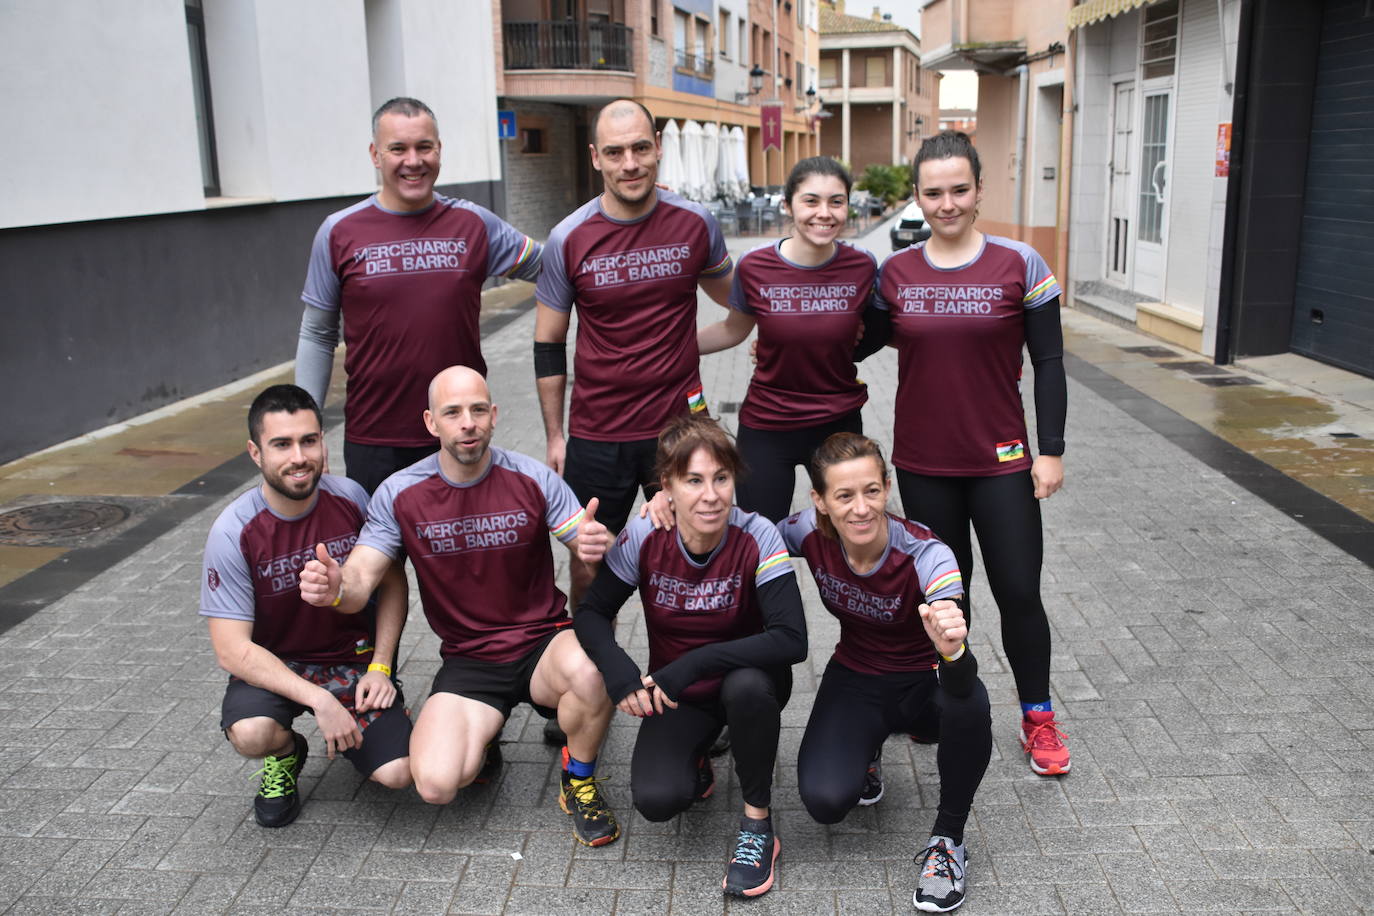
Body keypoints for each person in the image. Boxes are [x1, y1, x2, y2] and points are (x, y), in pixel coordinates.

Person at [298, 367, 621, 847]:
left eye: (476, 410)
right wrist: (336, 589)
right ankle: (485, 738)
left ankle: (579, 780)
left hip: (542, 643)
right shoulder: (399, 493)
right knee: (435, 784)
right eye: (453, 412)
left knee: (593, 670)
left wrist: (602, 544)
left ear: (493, 417)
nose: (467, 422)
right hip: (470, 659)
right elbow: (362, 579)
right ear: (432, 423)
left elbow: (589, 538)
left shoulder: (531, 477)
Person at [873, 130, 1070, 776]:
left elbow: (1048, 361)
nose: (947, 202)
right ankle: (948, 702)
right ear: (918, 197)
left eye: (960, 189)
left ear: (980, 190)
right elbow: (849, 346)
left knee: (1019, 592)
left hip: (1003, 464)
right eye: (934, 192)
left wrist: (1051, 451)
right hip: (925, 465)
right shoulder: (894, 273)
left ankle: (1037, 716)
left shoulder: (1021, 264)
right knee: (944, 600)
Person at [573, 414, 807, 898]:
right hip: (680, 695)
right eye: (694, 481)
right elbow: (592, 614)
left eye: (721, 478)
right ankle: (699, 757)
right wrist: (621, 676)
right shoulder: (646, 534)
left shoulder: (756, 534)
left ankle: (758, 825)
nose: (711, 495)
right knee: (658, 800)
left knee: (746, 687)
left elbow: (792, 640)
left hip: (747, 683)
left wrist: (693, 664)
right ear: (667, 487)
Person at [779, 433, 991, 913]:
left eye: (871, 491)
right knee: (826, 801)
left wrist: (952, 647)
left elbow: (959, 677)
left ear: (887, 487)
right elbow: (741, 532)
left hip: (924, 683)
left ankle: (948, 842)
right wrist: (667, 505)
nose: (860, 508)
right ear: (820, 501)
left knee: (971, 699)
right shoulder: (805, 532)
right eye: (844, 495)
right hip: (856, 675)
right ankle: (865, 751)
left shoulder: (927, 554)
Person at [534, 98, 734, 605]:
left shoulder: (695, 223)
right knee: (588, 566)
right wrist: (556, 435)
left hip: (681, 429)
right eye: (616, 152)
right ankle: (594, 673)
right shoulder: (568, 238)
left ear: (658, 149)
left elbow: (743, 307)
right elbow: (547, 342)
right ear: (595, 157)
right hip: (598, 434)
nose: (630, 164)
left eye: (641, 148)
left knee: (699, 558)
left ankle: (685, 677)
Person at [296, 97, 542, 494]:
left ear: (439, 150)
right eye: (398, 149)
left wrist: (630, 211)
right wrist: (305, 429)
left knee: (461, 555)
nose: (414, 160)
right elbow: (317, 335)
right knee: (381, 555)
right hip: (375, 438)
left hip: (459, 433)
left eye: (424, 147)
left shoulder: (474, 224)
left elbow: (557, 266)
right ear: (376, 155)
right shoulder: (339, 231)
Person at [200, 385, 412, 828]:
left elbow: (393, 582)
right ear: (255, 453)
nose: (299, 456)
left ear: (322, 442)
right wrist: (320, 701)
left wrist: (382, 665)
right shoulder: (232, 531)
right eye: (282, 444)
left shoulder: (352, 498)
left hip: (351, 661)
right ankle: (286, 755)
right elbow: (231, 651)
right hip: (276, 666)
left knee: (399, 773)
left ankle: (379, 715)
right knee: (252, 733)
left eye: (309, 440)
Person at [697, 156, 885, 522]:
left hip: (838, 422)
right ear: (788, 205)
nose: (824, 213)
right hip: (769, 424)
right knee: (761, 537)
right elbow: (734, 329)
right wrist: (664, 349)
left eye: (836, 201)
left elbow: (879, 331)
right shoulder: (754, 266)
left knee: (846, 537)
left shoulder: (863, 266)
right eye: (811, 201)